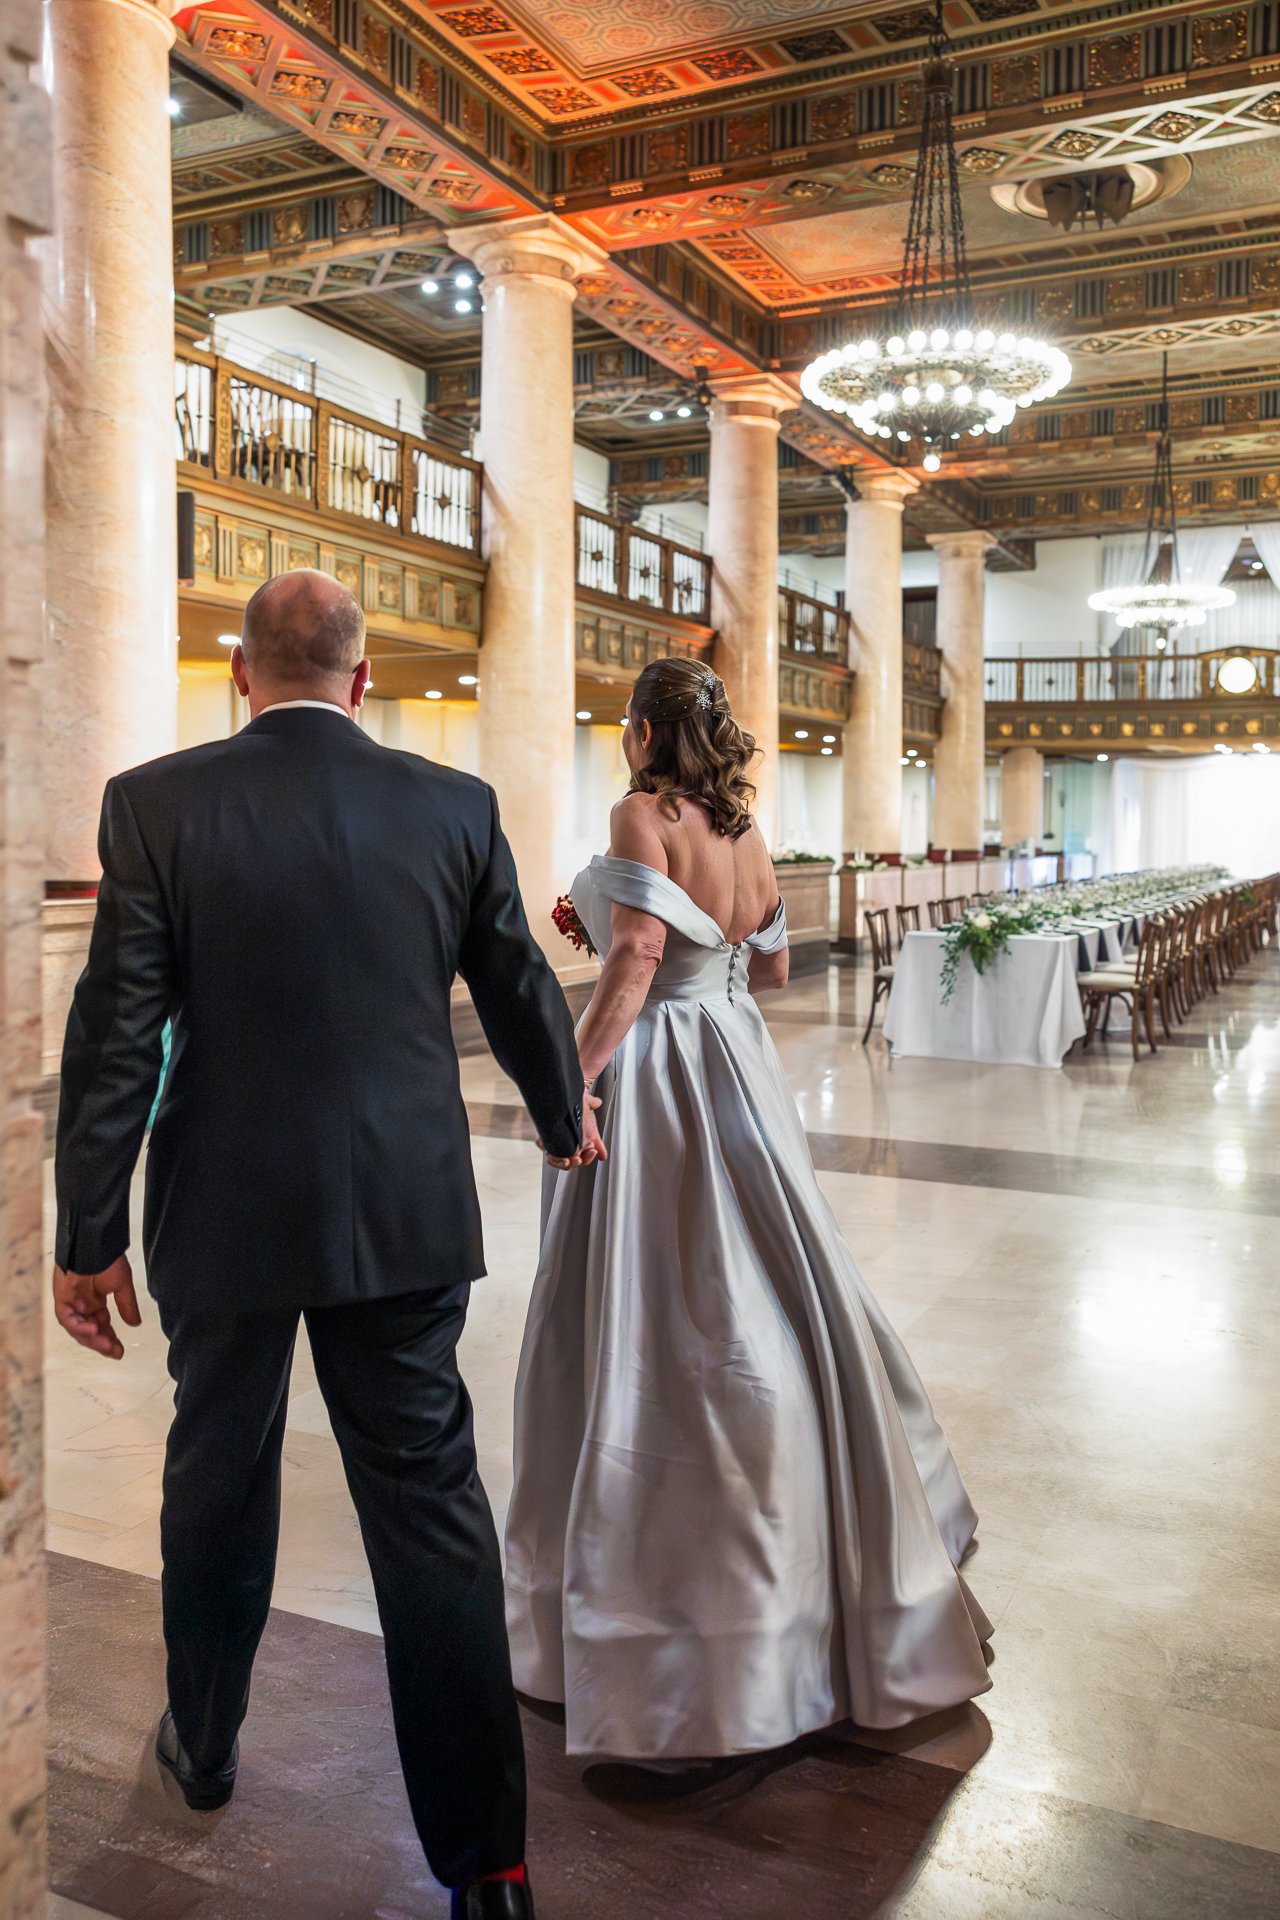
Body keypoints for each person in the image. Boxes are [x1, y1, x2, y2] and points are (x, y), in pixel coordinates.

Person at [52, 570, 590, 1920]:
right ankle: (491, 1865)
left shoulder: (156, 802)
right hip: (402, 1210)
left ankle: (206, 1741)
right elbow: (516, 976)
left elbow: (116, 1033)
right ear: (363, 681)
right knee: (430, 1517)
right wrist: (563, 1105)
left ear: (240, 676)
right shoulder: (452, 805)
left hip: (221, 1215)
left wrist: (87, 1231)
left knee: (216, 1482)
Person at [505, 656, 992, 1766]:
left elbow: (635, 955)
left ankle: (670, 1594)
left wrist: (573, 1076)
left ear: (638, 732)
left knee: (659, 1300)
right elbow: (763, 969)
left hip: (660, 1066)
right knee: (771, 1272)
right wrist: (674, 955)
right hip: (734, 1053)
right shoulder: (742, 827)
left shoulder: (643, 812)